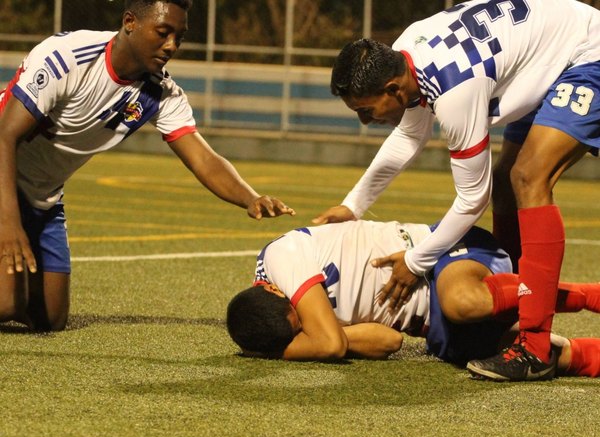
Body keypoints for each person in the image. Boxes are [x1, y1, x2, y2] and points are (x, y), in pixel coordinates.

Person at [312, 0, 600, 381]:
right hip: (550, 55)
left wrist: (416, 262)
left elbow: (470, 201)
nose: (367, 121)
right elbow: (409, 135)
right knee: (506, 188)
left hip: (585, 51)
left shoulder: (453, 90)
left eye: (366, 110)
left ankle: (534, 347)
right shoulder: (406, 52)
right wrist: (353, 206)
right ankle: (513, 314)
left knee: (528, 178)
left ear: (393, 89)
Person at [0, 0, 295, 332]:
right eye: (163, 32)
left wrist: (250, 197)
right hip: (3, 181)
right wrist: (8, 224)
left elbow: (203, 158)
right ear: (130, 22)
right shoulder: (67, 56)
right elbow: (3, 137)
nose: (171, 46)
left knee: (50, 319)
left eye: (178, 37)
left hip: (43, 197)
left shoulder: (160, 92)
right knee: (7, 303)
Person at [226, 220, 600, 379]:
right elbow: (387, 341)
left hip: (445, 254)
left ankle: (590, 296)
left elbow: (327, 342)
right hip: (435, 328)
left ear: (273, 289)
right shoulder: (285, 317)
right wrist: (316, 342)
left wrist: (286, 349)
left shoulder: (280, 259)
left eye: (299, 320)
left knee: (461, 301)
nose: (305, 322)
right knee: (534, 355)